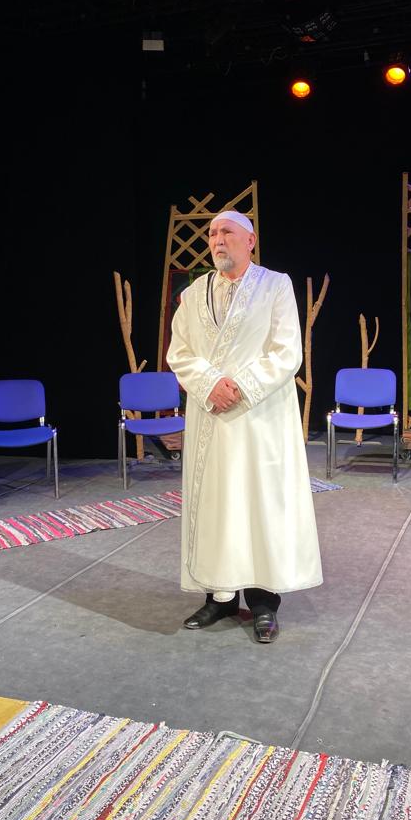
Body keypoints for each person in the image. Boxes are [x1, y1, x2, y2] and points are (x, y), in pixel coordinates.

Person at [166, 209, 322, 643]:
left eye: (227, 232)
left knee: (258, 503)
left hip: (258, 416)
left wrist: (240, 387)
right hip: (211, 415)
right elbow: (179, 351)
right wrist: (210, 384)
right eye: (212, 233)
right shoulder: (194, 293)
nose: (218, 240)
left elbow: (287, 351)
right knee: (217, 503)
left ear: (250, 240)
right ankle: (219, 596)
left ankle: (264, 602)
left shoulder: (275, 285)